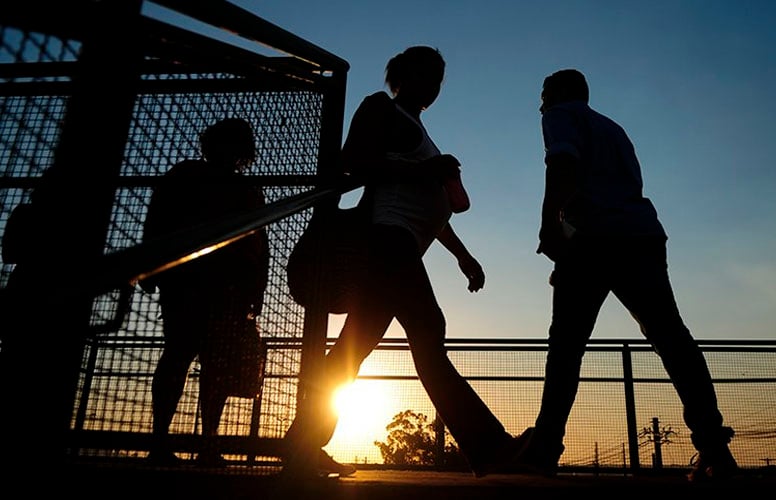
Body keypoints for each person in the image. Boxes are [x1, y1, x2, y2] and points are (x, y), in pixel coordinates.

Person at [279, 45, 521, 479]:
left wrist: (463, 256)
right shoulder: (381, 109)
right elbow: (352, 162)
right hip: (387, 241)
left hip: (401, 244)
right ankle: (491, 448)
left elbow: (429, 207)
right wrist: (426, 172)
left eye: (439, 79)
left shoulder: (422, 133)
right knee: (428, 332)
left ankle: (300, 445)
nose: (433, 86)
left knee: (355, 348)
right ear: (401, 75)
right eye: (426, 75)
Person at [516, 69, 738, 481]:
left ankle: (545, 449)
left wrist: (550, 224)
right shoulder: (614, 130)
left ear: (558, 94)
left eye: (543, 94)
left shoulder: (560, 116)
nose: (540, 104)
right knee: (673, 340)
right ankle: (714, 449)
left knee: (566, 347)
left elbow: (562, 165)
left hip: (592, 240)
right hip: (641, 236)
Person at [141, 117, 270, 466]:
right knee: (185, 357)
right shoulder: (196, 179)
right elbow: (159, 218)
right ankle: (169, 442)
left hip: (218, 287)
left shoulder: (198, 178)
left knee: (206, 363)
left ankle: (199, 443)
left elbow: (259, 242)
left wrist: (257, 285)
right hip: (197, 284)